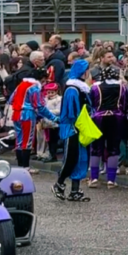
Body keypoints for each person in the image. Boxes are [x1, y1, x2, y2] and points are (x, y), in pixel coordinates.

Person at [53, 59, 94, 202]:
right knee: (71, 157)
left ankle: (75, 190)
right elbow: (71, 113)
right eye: (87, 70)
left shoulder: (80, 88)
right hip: (72, 128)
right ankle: (59, 183)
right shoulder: (72, 89)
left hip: (79, 127)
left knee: (81, 159)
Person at [88, 60, 128, 188]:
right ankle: (111, 180)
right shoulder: (122, 87)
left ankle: (94, 178)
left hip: (98, 118)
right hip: (116, 118)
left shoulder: (95, 87)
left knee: (96, 148)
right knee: (114, 148)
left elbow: (92, 103)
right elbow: (126, 104)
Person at [9, 68, 56, 173]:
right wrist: (53, 118)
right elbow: (40, 106)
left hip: (16, 114)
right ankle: (26, 167)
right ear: (42, 78)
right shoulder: (35, 88)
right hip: (28, 115)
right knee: (27, 141)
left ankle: (20, 166)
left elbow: (11, 99)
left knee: (19, 141)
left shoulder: (21, 85)